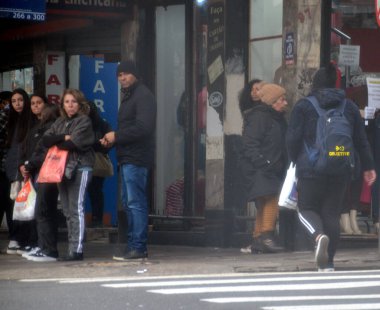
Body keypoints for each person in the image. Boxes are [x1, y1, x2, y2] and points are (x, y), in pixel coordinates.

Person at [286, 63, 376, 271]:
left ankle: (318, 237)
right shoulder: (350, 106)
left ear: (315, 83)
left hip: (311, 168)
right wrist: (369, 166)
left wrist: (294, 161)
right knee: (331, 213)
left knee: (306, 209)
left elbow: (292, 138)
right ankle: (328, 263)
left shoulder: (304, 106)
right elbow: (361, 140)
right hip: (341, 166)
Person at [100, 60, 156, 260]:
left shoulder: (143, 95)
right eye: (119, 75)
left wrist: (116, 136)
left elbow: (144, 127)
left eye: (126, 74)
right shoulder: (130, 96)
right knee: (129, 202)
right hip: (127, 157)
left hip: (137, 158)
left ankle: (138, 247)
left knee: (135, 202)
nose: (122, 78)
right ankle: (133, 245)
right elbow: (128, 130)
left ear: (135, 74)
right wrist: (112, 140)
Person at [42, 89, 95, 261]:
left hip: (80, 168)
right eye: (67, 102)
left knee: (76, 209)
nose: (70, 105)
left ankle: (77, 249)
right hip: (61, 169)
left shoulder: (84, 121)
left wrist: (61, 140)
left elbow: (71, 144)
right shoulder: (59, 121)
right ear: (62, 104)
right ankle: (72, 248)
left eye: (73, 102)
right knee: (66, 210)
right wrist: (63, 136)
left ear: (80, 104)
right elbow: (46, 140)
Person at [240, 82, 288, 254]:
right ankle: (266, 236)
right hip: (262, 168)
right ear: (272, 101)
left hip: (269, 166)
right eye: (282, 99)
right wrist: (264, 162)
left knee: (265, 201)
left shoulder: (274, 117)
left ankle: (258, 237)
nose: (285, 103)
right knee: (270, 199)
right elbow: (249, 144)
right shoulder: (261, 117)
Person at [20, 101, 61, 262]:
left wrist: (29, 164)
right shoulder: (53, 128)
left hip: (46, 172)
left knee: (43, 210)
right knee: (45, 210)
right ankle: (44, 246)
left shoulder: (49, 129)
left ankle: (46, 248)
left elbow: (43, 151)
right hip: (46, 172)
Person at [4, 88, 36, 254]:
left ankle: (24, 240)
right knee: (14, 205)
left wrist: (25, 166)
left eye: (20, 100)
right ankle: (16, 238)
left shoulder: (31, 120)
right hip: (11, 170)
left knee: (25, 205)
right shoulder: (11, 120)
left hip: (25, 169)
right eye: (14, 101)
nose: (17, 104)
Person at [87, 101, 113, 227]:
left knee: (95, 190)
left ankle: (97, 218)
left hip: (95, 160)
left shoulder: (101, 124)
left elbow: (109, 143)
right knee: (94, 191)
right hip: (84, 159)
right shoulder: (80, 122)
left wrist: (97, 146)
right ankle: (96, 218)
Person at [0, 91, 13, 238]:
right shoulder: (6, 115)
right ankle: (14, 237)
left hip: (6, 166)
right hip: (6, 166)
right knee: (9, 203)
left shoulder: (6, 115)